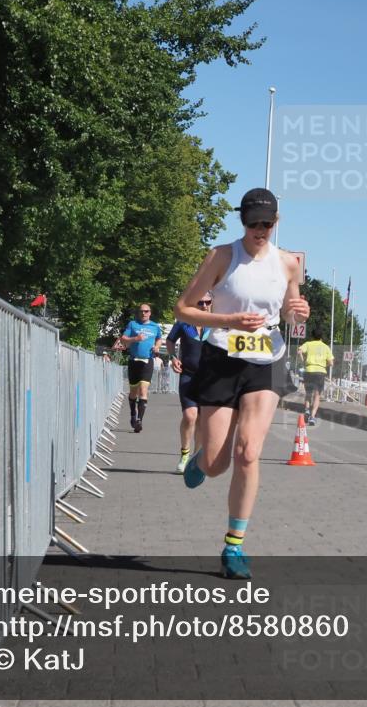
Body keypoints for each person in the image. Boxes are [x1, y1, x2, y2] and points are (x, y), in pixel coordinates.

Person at [173, 188, 309, 579]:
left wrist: (297, 312)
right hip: (221, 357)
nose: (260, 230)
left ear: (276, 222)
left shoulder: (288, 264)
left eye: (267, 224)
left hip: (267, 360)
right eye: (253, 224)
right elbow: (182, 309)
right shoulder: (221, 257)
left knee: (248, 453)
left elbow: (290, 315)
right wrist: (228, 322)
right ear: (242, 222)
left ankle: (234, 546)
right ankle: (199, 460)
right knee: (217, 463)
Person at [165, 296, 213, 473]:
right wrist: (173, 357)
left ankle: (197, 456)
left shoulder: (218, 323)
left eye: (208, 302)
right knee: (190, 416)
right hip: (189, 375)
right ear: (194, 304)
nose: (204, 305)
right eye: (200, 302)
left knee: (202, 419)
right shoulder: (184, 322)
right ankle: (185, 454)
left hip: (210, 378)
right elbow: (170, 341)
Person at [119, 303, 164, 433]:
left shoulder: (155, 326)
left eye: (146, 311)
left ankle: (139, 420)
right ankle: (133, 414)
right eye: (141, 311)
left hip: (147, 361)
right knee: (133, 392)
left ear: (150, 313)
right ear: (138, 313)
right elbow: (123, 339)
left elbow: (159, 339)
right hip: (134, 361)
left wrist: (156, 347)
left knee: (144, 391)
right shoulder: (133, 324)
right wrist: (135, 338)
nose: (144, 313)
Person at [297, 328, 333, 426]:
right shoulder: (326, 347)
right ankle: (312, 417)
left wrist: (303, 361)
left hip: (309, 370)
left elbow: (299, 351)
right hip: (320, 372)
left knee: (308, 393)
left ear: (312, 336)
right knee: (317, 395)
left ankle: (307, 410)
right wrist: (324, 365)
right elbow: (331, 362)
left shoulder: (308, 344)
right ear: (321, 337)